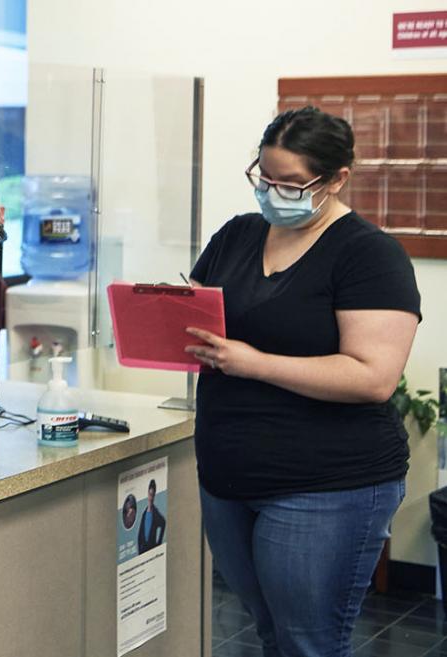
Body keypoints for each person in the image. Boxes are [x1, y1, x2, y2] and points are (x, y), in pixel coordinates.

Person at [184, 106, 420, 657]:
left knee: (309, 643)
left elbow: (373, 377)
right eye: (263, 178)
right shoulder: (237, 235)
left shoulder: (369, 254)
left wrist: (253, 363)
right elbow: (199, 315)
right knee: (271, 633)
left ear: (337, 179)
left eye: (289, 184)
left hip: (327, 485)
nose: (272, 193)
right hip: (229, 475)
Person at [136, 479, 165, 554]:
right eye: (150, 494)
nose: (151, 498)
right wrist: (139, 549)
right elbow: (140, 534)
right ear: (147, 494)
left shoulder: (155, 513)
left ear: (154, 495)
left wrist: (158, 543)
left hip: (151, 549)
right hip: (142, 550)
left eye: (152, 495)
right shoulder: (144, 513)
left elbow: (163, 523)